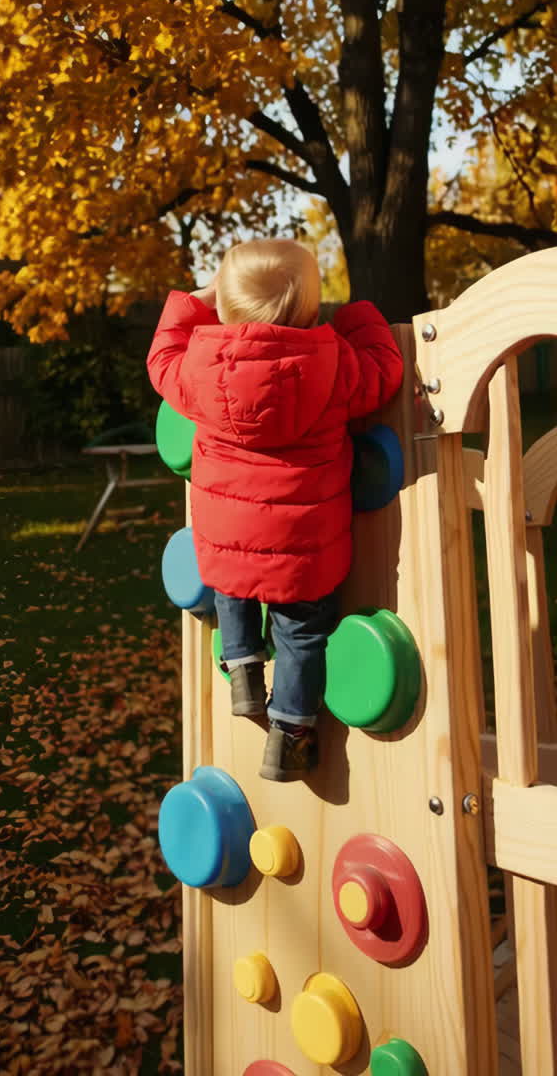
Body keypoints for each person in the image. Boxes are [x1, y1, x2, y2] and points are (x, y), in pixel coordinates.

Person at [147, 238, 404, 781]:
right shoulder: (333, 363)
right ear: (311, 308)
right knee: (301, 632)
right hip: (303, 544)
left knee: (233, 587)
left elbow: (161, 358)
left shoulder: (199, 366)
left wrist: (192, 300)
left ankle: (242, 668)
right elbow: (385, 371)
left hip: (225, 537)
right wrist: (359, 314)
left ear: (224, 304)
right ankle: (290, 735)